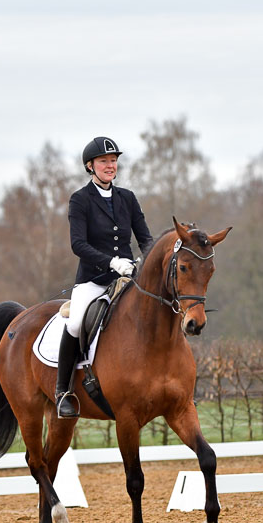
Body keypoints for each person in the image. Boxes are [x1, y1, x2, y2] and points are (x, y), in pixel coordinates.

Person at [55, 136, 153, 418]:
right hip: (93, 279)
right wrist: (112, 262)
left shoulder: (128, 198)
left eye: (113, 161)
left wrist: (144, 262)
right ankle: (64, 393)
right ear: (90, 166)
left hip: (127, 278)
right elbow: (78, 245)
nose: (110, 166)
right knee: (75, 322)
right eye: (104, 161)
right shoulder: (80, 200)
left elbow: (145, 239)